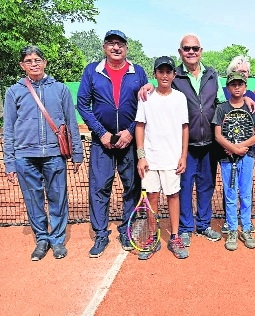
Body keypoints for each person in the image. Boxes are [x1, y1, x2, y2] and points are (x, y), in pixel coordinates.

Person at [139, 34, 255, 247]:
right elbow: (161, 84)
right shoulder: (175, 75)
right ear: (180, 52)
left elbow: (223, 102)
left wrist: (244, 97)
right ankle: (185, 228)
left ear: (201, 51)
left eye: (195, 48)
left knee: (206, 185)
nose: (191, 52)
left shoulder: (212, 74)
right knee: (184, 187)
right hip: (185, 144)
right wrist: (147, 85)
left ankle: (203, 224)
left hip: (210, 143)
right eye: (186, 48)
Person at [3, 45, 83, 260]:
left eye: (37, 60)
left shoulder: (61, 89)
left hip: (54, 154)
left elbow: (71, 124)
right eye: (28, 61)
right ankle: (42, 239)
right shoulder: (14, 91)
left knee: (58, 197)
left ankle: (57, 240)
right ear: (22, 66)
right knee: (33, 200)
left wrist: (77, 153)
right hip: (24, 156)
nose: (33, 64)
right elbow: (8, 128)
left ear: (45, 62)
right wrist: (9, 161)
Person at [77, 30, 148, 258]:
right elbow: (82, 105)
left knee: (132, 188)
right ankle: (100, 235)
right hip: (102, 143)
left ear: (126, 48)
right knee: (99, 189)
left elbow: (146, 106)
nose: (116, 48)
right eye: (111, 43)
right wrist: (101, 133)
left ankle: (126, 230)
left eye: (120, 44)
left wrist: (129, 132)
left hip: (129, 142)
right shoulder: (92, 71)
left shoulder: (138, 72)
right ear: (104, 47)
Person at [135, 56, 189, 259]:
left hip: (172, 160)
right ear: (155, 74)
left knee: (173, 196)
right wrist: (141, 156)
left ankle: (174, 237)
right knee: (152, 198)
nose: (165, 75)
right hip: (150, 160)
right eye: (161, 72)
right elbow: (140, 126)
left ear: (174, 74)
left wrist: (183, 155)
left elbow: (185, 128)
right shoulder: (146, 98)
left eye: (168, 72)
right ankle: (153, 236)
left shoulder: (180, 98)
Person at [212, 72, 255, 250]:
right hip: (227, 159)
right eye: (233, 84)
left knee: (246, 194)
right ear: (228, 88)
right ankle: (232, 229)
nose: (237, 87)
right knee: (231, 194)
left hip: (247, 157)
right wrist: (233, 149)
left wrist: (241, 147)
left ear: (245, 87)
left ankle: (246, 228)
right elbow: (218, 135)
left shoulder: (251, 108)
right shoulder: (221, 108)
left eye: (240, 84)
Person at [221, 55, 255, 235]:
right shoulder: (221, 98)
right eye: (238, 71)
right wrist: (231, 147)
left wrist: (242, 147)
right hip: (225, 153)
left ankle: (246, 223)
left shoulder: (251, 98)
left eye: (245, 73)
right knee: (230, 190)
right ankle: (231, 223)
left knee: (244, 191)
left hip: (247, 153)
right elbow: (218, 130)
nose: (240, 79)